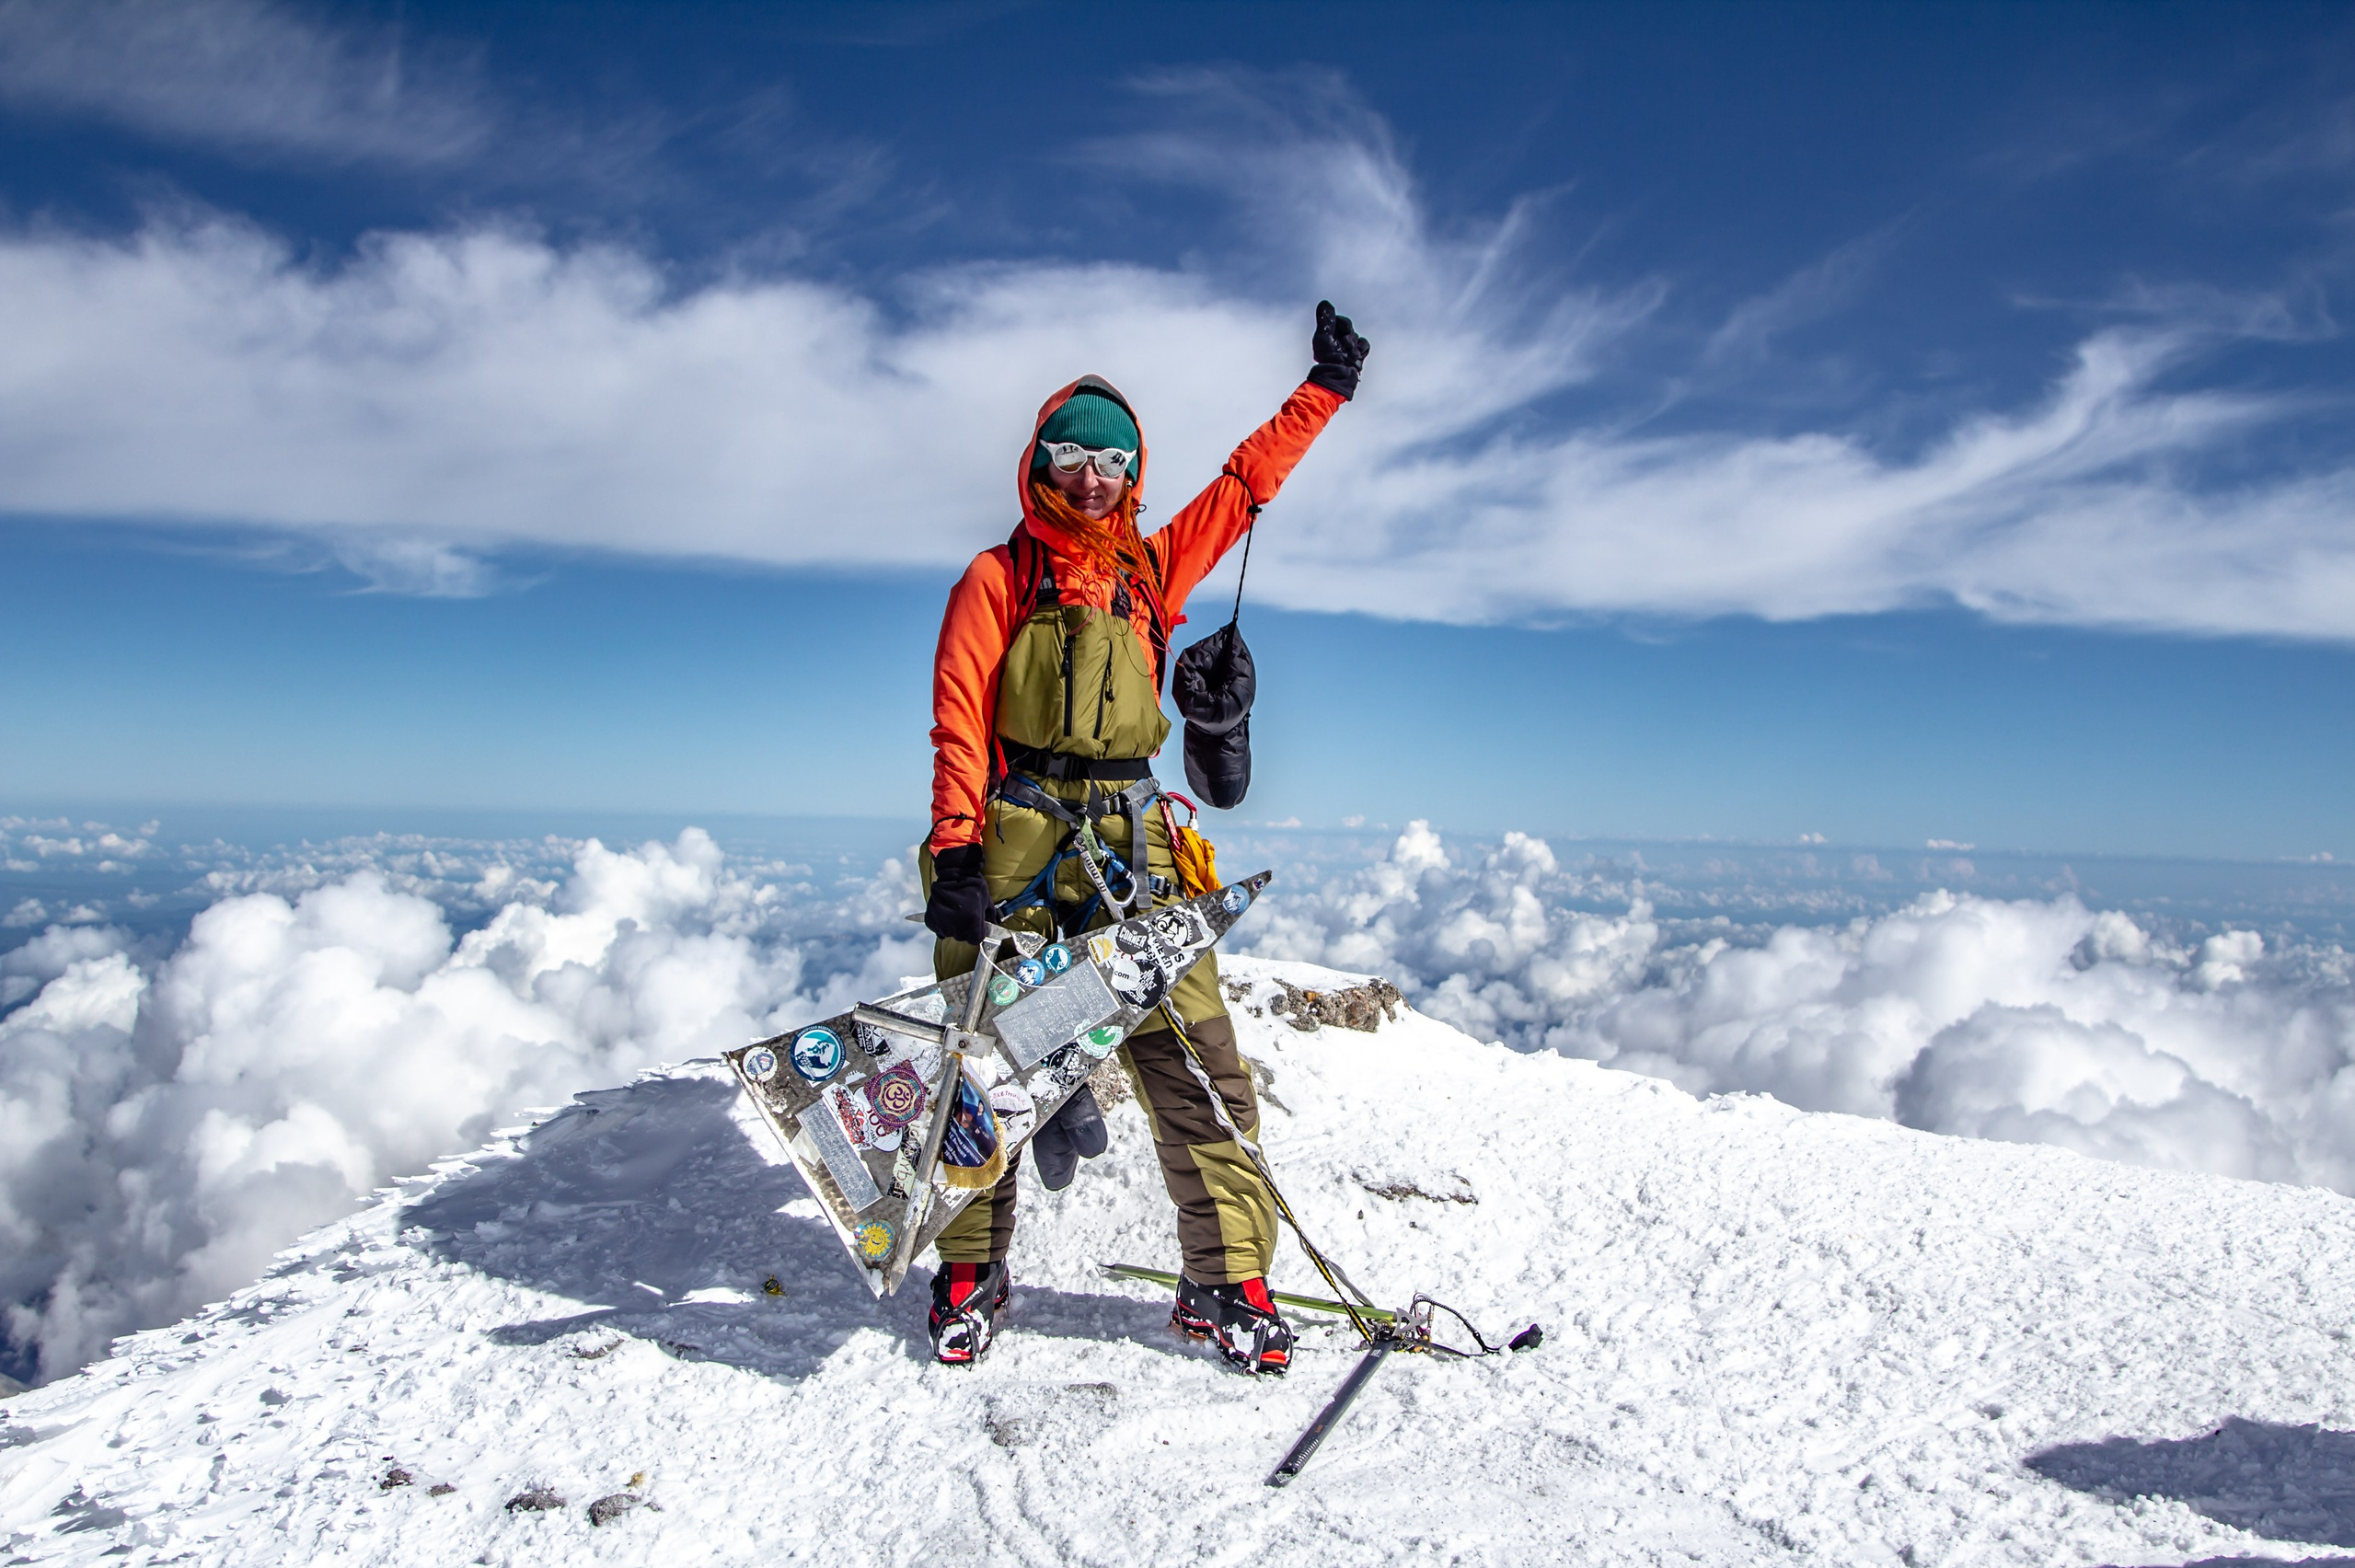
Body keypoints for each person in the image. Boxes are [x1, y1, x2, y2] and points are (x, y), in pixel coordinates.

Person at [918, 302, 1370, 1370]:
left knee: (1198, 1058)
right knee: (976, 1062)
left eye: (1112, 459)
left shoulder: (1148, 573)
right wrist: (953, 851)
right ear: (1040, 465)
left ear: (1133, 471)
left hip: (1135, 835)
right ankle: (971, 1269)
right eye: (1071, 455)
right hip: (1017, 832)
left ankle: (1229, 1281)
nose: (1092, 476)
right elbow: (958, 715)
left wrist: (1326, 392)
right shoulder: (999, 577)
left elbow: (1244, 486)